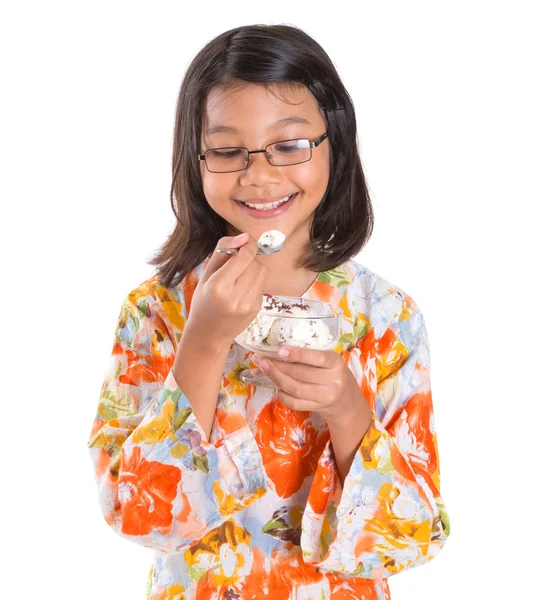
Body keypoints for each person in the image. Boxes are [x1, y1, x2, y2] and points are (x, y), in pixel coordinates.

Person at [87, 23, 450, 600]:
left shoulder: (386, 317)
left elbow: (411, 539)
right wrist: (203, 344)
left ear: (336, 143)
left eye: (289, 145)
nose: (259, 175)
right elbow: (136, 516)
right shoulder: (155, 311)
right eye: (228, 151)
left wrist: (347, 410)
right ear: (196, 157)